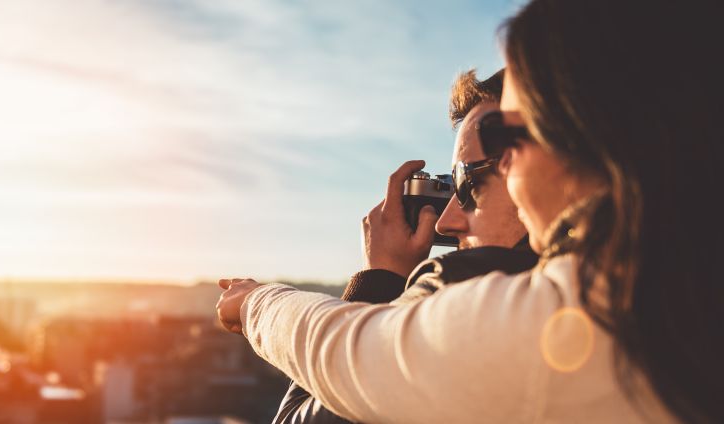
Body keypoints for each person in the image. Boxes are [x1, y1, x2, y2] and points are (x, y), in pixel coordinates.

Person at [215, 0, 722, 422]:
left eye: (498, 152)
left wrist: (264, 299)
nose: (446, 221)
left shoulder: (587, 316)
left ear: (590, 142)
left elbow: (349, 353)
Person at [273, 69, 537, 423]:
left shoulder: (467, 330)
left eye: (469, 184)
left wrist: (380, 279)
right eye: (452, 186)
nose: (445, 222)